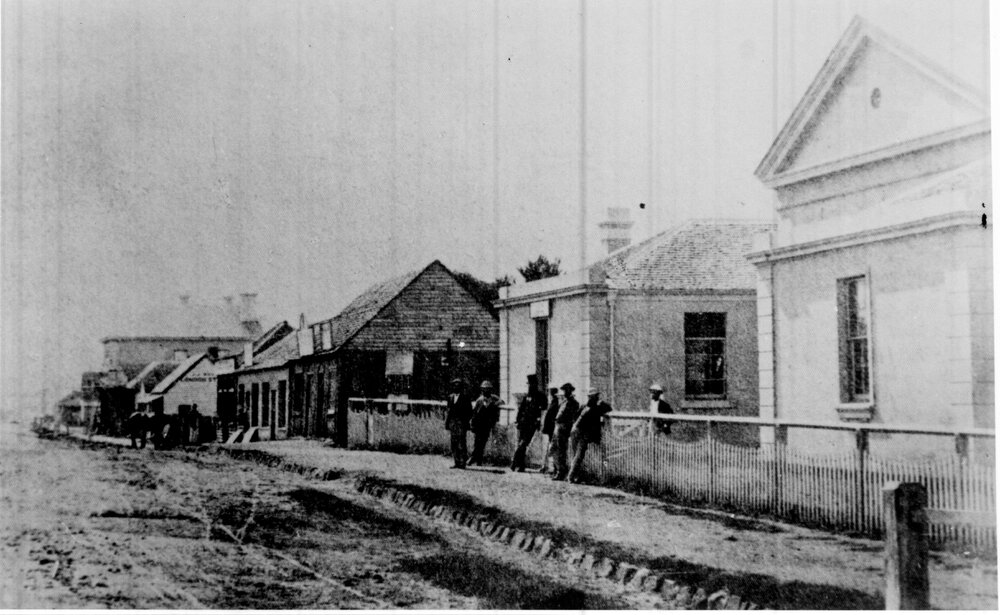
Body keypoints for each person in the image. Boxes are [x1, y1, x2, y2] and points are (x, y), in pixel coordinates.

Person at [567, 388, 613, 483]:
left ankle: (574, 476)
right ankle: (572, 476)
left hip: (577, 431)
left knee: (577, 455)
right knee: (579, 455)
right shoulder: (595, 407)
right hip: (583, 433)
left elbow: (575, 416)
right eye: (595, 396)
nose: (595, 398)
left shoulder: (586, 406)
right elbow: (608, 408)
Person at [510, 375, 545, 472]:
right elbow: (521, 409)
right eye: (529, 384)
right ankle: (521, 466)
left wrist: (538, 422)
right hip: (523, 424)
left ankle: (514, 463)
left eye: (531, 384)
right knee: (522, 445)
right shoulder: (527, 396)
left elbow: (542, 410)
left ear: (535, 384)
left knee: (523, 444)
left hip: (531, 425)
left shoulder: (540, 396)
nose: (530, 386)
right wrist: (517, 420)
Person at [467, 381, 504, 466]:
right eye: (484, 389)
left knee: (482, 442)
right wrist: (472, 424)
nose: (486, 391)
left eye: (488, 389)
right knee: (477, 442)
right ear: (482, 390)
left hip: (487, 425)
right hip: (479, 424)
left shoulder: (493, 399)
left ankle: (478, 460)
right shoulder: (479, 400)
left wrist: (496, 403)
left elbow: (502, 401)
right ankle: (473, 458)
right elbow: (474, 413)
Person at [550, 382, 580, 481]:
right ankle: (557, 470)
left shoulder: (574, 403)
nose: (565, 392)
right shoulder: (563, 402)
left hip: (565, 428)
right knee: (554, 449)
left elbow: (573, 417)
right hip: (557, 427)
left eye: (567, 390)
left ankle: (561, 472)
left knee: (561, 450)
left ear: (570, 391)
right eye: (564, 390)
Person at [444, 378, 473, 469]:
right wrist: (447, 423)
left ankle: (462, 462)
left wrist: (465, 422)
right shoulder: (450, 397)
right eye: (454, 385)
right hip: (453, 423)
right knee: (454, 443)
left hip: (461, 423)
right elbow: (448, 411)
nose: (456, 387)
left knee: (461, 443)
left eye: (458, 385)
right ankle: (456, 462)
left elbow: (469, 411)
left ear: (461, 387)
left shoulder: (465, 397)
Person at [540, 384, 560, 473]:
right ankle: (549, 467)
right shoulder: (552, 402)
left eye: (552, 391)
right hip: (549, 429)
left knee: (553, 448)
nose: (551, 393)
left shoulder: (556, 403)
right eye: (550, 391)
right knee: (550, 448)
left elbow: (553, 416)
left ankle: (555, 468)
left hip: (552, 429)